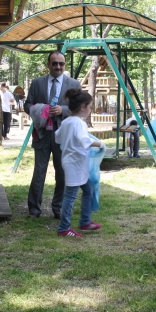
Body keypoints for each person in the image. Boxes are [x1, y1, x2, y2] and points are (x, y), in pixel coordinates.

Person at [25, 51, 81, 218]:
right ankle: (34, 209)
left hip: (63, 135)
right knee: (39, 172)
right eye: (54, 63)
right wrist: (41, 110)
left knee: (62, 173)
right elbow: (27, 105)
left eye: (61, 64)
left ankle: (58, 208)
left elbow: (79, 108)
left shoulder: (74, 84)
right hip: (41, 134)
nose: (58, 66)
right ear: (48, 64)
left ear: (65, 65)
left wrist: (62, 110)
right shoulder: (36, 83)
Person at [54, 88, 104, 237]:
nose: (90, 110)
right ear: (83, 107)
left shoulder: (67, 121)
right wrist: (99, 144)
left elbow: (58, 138)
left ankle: (85, 222)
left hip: (74, 163)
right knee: (70, 196)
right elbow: (84, 140)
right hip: (75, 165)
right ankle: (63, 228)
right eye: (89, 107)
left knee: (88, 190)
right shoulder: (79, 123)